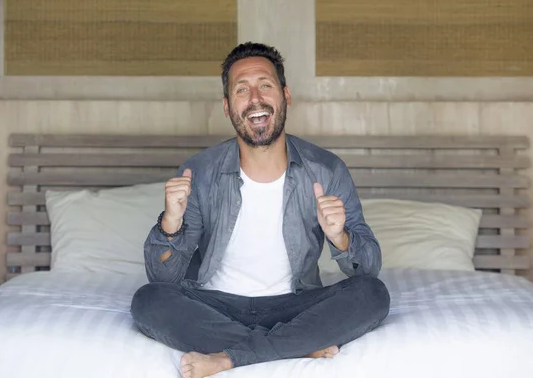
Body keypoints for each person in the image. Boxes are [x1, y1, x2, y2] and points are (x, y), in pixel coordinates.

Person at [131, 42, 390, 378]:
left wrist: (340, 237)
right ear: (227, 107)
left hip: (295, 306)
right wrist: (171, 222)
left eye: (265, 85)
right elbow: (163, 278)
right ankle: (293, 346)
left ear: (285, 95)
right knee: (148, 300)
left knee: (373, 294)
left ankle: (232, 356)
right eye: (242, 89)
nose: (255, 98)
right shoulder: (199, 171)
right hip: (216, 305)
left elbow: (368, 269)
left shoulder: (327, 169)